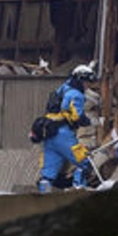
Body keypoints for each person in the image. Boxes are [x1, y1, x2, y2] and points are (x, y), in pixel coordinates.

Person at [38, 63, 96, 193]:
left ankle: (43, 197)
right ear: (80, 80)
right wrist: (91, 121)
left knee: (48, 173)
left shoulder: (63, 88)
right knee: (84, 163)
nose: (88, 85)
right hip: (63, 135)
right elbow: (77, 116)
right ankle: (78, 191)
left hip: (49, 133)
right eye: (87, 82)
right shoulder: (76, 94)